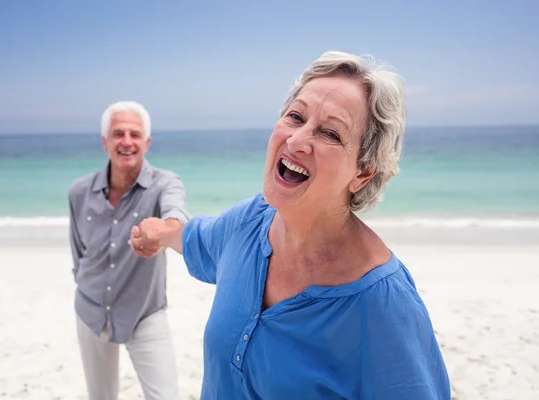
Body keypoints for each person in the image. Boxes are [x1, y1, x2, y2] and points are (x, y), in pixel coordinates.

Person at [129, 51, 451, 399]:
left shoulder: (383, 304)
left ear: (362, 172)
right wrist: (158, 234)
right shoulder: (250, 222)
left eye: (330, 133)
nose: (297, 140)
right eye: (295, 116)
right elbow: (198, 238)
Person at [68, 101, 188, 400]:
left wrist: (164, 231)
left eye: (135, 134)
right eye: (118, 133)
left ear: (146, 143)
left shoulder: (164, 184)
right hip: (91, 310)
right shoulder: (79, 192)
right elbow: (78, 252)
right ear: (104, 142)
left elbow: (177, 215)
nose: (126, 142)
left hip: (144, 312)